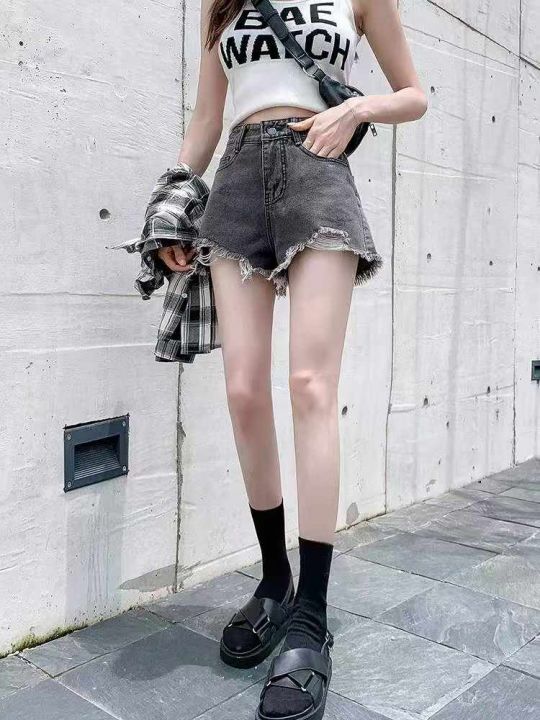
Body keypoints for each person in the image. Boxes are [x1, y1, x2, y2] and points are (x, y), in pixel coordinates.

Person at [158, 1, 427, 718]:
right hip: (238, 177)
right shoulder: (221, 3)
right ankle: (275, 581)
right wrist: (170, 202)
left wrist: (358, 108)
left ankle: (311, 615)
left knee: (310, 386)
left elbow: (415, 94)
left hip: (319, 172)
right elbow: (206, 119)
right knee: (244, 391)